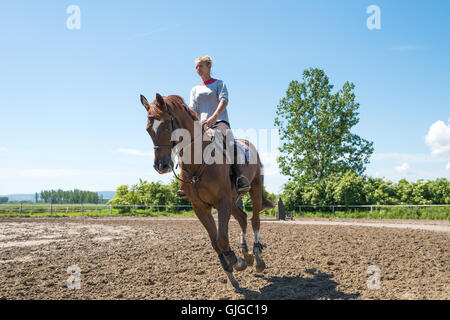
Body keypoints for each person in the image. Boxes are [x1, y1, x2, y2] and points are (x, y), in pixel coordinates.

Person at [177, 56, 251, 198]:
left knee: (228, 140)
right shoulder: (195, 89)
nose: (198, 69)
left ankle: (240, 176)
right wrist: (197, 122)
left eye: (201, 66)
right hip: (201, 124)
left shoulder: (219, 84)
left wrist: (214, 117)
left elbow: (224, 101)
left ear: (209, 66)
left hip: (220, 121)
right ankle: (185, 183)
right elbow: (192, 109)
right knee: (184, 144)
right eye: (196, 67)